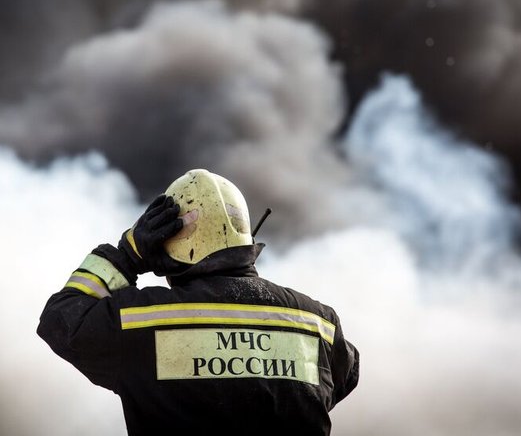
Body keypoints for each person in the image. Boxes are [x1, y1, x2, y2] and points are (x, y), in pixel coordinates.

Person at [37, 169, 359, 435]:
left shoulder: (140, 325)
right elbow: (345, 374)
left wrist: (129, 255)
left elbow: (62, 318)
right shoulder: (320, 325)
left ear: (168, 250)